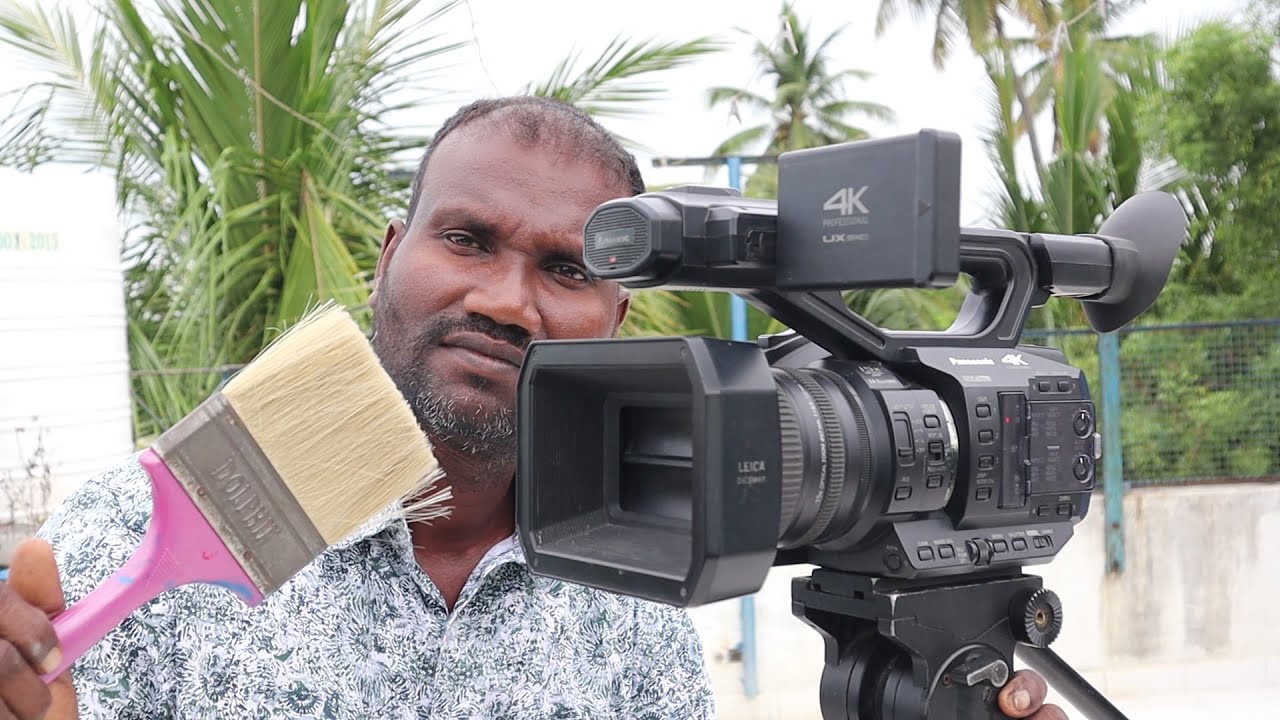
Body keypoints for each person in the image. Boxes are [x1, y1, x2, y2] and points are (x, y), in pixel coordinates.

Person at [0, 96, 1067, 720]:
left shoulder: (638, 601)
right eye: (466, 239)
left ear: (612, 310)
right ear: (388, 256)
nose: (506, 300)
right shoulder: (130, 540)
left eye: (564, 268)